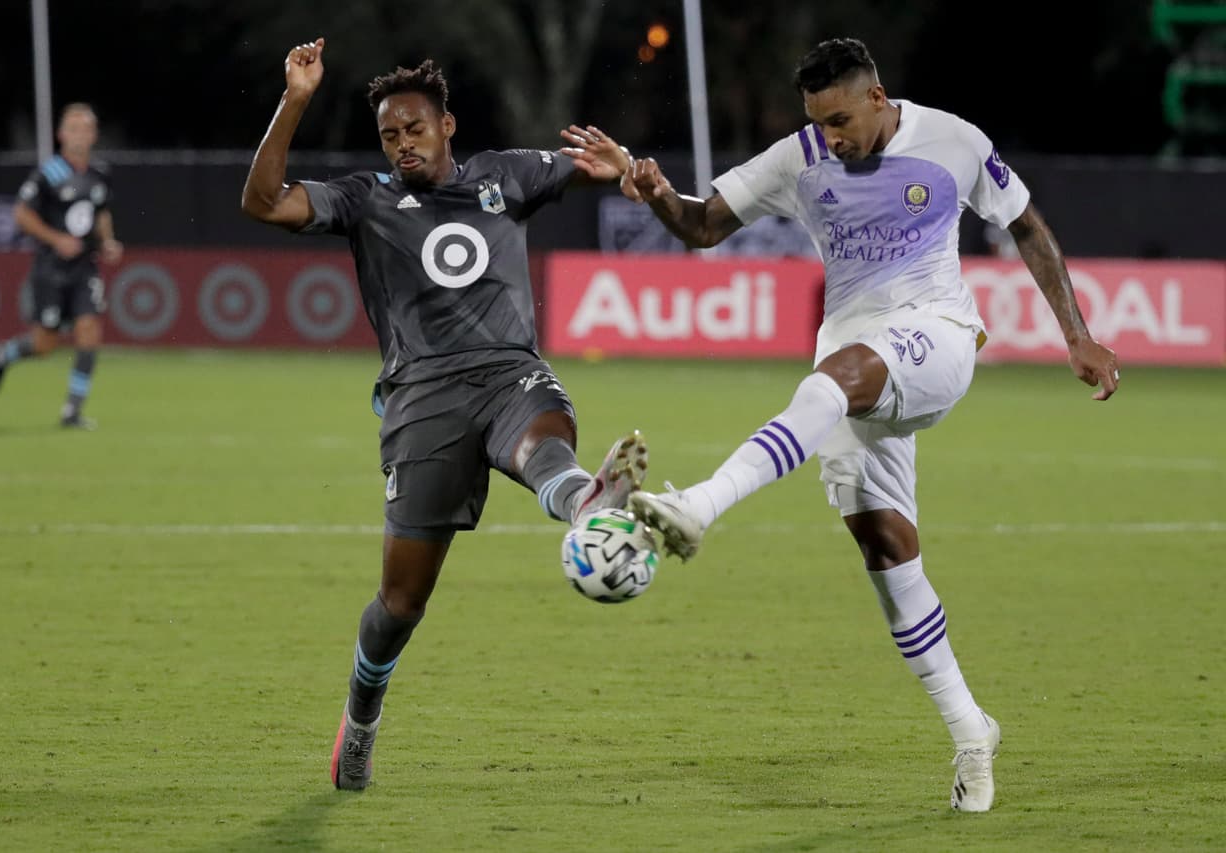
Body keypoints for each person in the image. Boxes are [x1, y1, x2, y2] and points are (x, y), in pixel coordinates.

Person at [574, 37, 1120, 813]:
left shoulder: (955, 141)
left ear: (876, 96)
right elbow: (703, 227)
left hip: (935, 336)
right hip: (854, 357)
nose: (831, 138)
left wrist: (1077, 334)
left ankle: (698, 505)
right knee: (887, 549)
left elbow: (1027, 225)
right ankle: (972, 730)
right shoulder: (798, 156)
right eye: (819, 123)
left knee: (833, 378)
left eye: (840, 120)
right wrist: (653, 189)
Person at [241, 38, 649, 792]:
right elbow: (264, 202)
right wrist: (294, 101)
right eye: (390, 135)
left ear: (447, 126)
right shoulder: (364, 198)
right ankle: (361, 718)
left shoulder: (505, 176)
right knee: (399, 604)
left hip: (510, 375)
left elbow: (598, 168)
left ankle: (585, 501)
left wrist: (624, 168)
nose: (402, 145)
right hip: (422, 401)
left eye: (415, 130)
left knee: (546, 443)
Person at [0, 103, 123, 428]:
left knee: (89, 330)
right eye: (72, 129)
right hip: (50, 268)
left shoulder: (99, 174)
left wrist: (108, 242)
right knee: (44, 344)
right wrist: (55, 238)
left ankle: (72, 412)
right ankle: (5, 355)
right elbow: (22, 214)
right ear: (62, 135)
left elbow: (101, 213)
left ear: (93, 135)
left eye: (85, 129)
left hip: (84, 268)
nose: (79, 135)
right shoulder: (50, 174)